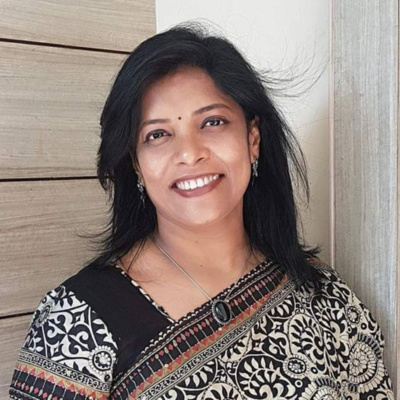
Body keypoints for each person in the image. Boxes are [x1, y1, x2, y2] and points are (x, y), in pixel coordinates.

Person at [9, 22, 394, 400]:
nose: (190, 153)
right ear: (136, 163)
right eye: (157, 134)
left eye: (212, 122)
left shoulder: (325, 297)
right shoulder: (77, 321)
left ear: (252, 139)